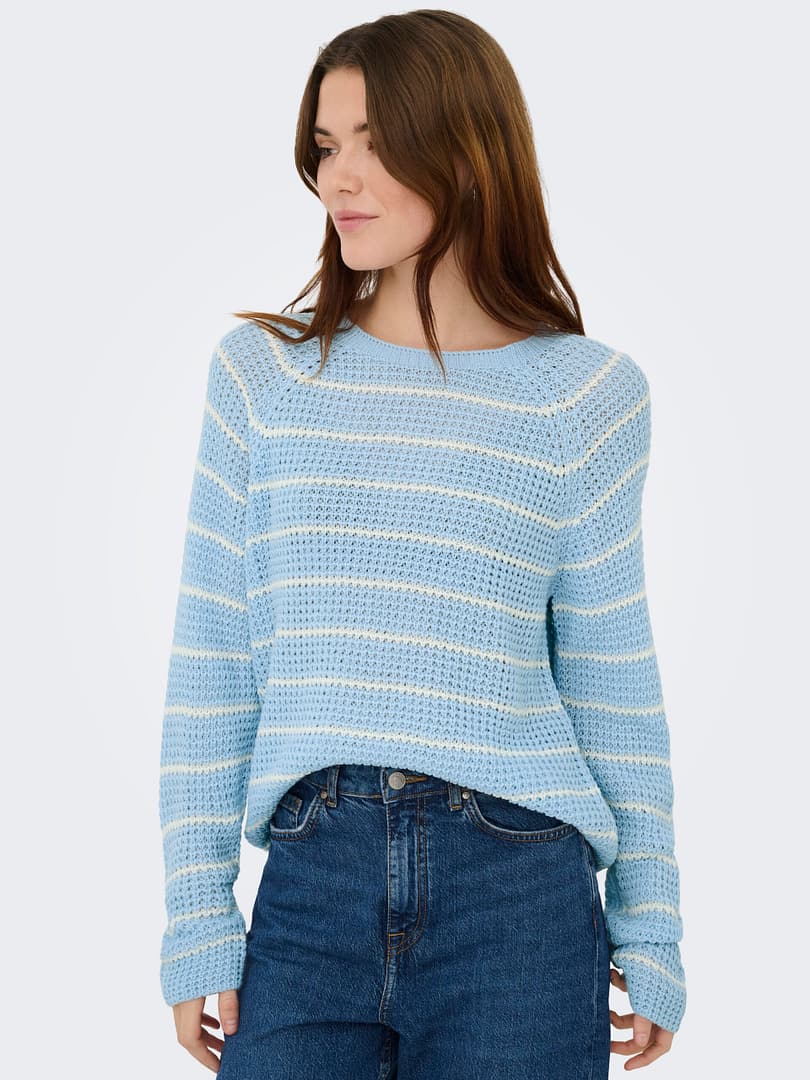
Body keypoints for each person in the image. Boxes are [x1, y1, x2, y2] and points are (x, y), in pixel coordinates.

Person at [158, 10, 686, 1077]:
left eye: (374, 142)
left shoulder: (583, 398)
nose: (338, 178)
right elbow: (213, 658)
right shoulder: (262, 380)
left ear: (467, 150)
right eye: (325, 147)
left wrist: (654, 926)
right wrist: (195, 915)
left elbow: (612, 677)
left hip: (520, 900)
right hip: (311, 886)